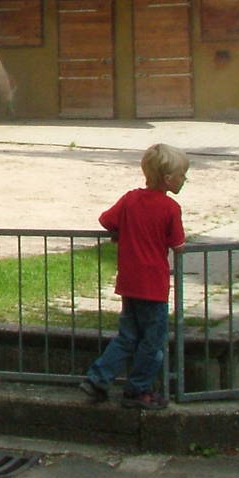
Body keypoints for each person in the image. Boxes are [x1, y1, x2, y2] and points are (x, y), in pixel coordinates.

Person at [80, 143, 188, 411]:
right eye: (182, 175)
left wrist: (121, 231)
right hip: (154, 285)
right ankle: (139, 389)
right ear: (167, 179)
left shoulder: (130, 199)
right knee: (152, 342)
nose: (184, 180)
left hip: (130, 282)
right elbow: (178, 244)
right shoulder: (170, 208)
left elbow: (106, 220)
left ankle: (98, 378)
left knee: (127, 336)